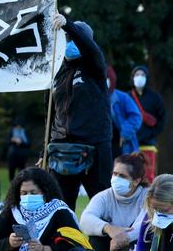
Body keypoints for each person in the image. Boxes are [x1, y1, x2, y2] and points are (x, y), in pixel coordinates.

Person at [48, 13, 112, 211]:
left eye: (73, 39)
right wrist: (45, 150)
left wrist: (69, 26)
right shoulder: (56, 73)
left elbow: (89, 48)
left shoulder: (95, 68)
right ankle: (67, 242)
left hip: (94, 147)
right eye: (66, 40)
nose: (70, 43)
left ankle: (103, 241)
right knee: (61, 209)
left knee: (101, 207)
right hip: (61, 151)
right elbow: (51, 113)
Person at [0, 167, 93, 251]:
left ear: (45, 192)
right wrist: (9, 243)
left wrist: (45, 248)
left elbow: (74, 243)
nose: (28, 196)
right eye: (24, 193)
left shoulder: (59, 212)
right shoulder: (12, 212)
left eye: (33, 193)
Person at [80, 153, 149, 251]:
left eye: (122, 176)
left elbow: (146, 224)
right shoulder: (104, 196)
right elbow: (85, 219)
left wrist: (122, 237)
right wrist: (109, 229)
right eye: (115, 173)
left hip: (135, 244)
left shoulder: (148, 196)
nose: (116, 179)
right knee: (96, 239)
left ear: (136, 181)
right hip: (110, 244)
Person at [129, 65, 167, 184]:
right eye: (137, 75)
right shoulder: (127, 97)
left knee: (148, 176)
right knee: (130, 176)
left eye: (142, 75)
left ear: (147, 78)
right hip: (130, 144)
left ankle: (147, 201)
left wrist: (152, 134)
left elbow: (162, 119)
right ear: (132, 78)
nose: (139, 77)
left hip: (148, 144)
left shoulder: (155, 98)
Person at [107, 65, 142, 159]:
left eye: (106, 78)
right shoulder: (92, 98)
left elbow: (136, 117)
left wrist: (125, 133)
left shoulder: (122, 97)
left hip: (122, 146)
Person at [135, 174, 173, 251]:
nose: (158, 214)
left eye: (164, 210)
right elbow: (141, 247)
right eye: (155, 208)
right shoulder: (149, 218)